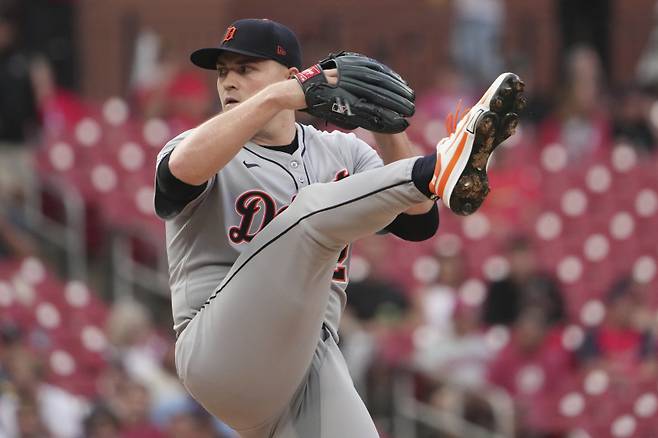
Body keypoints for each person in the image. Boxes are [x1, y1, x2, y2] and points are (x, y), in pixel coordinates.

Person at [154, 18, 524, 438]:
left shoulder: (340, 149)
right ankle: (441, 161)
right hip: (221, 349)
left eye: (246, 68)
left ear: (293, 75)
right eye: (223, 72)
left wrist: (392, 128)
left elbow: (420, 218)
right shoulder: (202, 144)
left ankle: (442, 164)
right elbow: (178, 175)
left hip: (307, 362)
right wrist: (279, 96)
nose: (229, 83)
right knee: (309, 213)